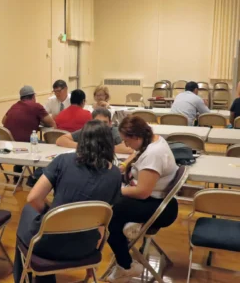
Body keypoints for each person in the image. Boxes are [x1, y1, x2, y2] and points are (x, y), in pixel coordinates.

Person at [13, 120, 122, 283]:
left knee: (28, 211)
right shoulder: (115, 175)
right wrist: (94, 252)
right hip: (85, 247)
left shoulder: (63, 161)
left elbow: (33, 198)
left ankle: (24, 278)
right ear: (109, 144)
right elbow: (102, 223)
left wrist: (50, 213)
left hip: (48, 244)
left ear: (82, 140)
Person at [106, 116, 179, 282]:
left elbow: (142, 192)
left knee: (108, 213)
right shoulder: (152, 140)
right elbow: (136, 153)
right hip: (160, 200)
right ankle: (125, 255)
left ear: (136, 137)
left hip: (159, 207)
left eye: (126, 141)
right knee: (114, 213)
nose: (125, 145)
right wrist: (125, 166)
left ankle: (126, 265)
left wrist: (116, 190)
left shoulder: (153, 154)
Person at [3, 85, 55, 182]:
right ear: (33, 97)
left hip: (12, 144)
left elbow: (3, 121)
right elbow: (52, 123)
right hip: (28, 143)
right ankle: (36, 175)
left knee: (24, 142)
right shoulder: (37, 106)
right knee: (50, 150)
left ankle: (18, 168)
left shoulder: (14, 106)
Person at [56, 108, 133, 154]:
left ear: (110, 123)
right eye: (97, 122)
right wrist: (84, 147)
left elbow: (129, 148)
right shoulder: (88, 130)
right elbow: (60, 140)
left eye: (105, 122)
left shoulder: (115, 132)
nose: (101, 125)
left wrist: (98, 149)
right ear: (92, 123)